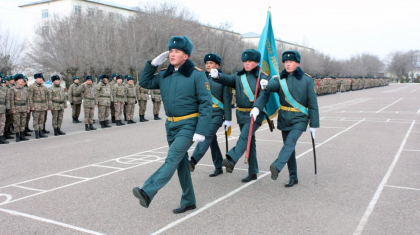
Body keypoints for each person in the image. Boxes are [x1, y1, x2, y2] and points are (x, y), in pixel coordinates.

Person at [133, 35, 212, 214]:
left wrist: (201, 130)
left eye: (177, 51)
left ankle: (147, 191)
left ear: (186, 56)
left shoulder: (196, 75)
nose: (172, 54)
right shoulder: (164, 75)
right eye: (171, 51)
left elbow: (206, 104)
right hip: (171, 125)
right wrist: (152, 65)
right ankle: (189, 200)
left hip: (189, 124)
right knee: (181, 162)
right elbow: (144, 82)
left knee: (172, 157)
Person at [257, 50, 319, 187]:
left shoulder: (307, 80)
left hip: (300, 118)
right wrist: (264, 84)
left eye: (291, 62)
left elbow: (313, 104)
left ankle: (277, 166)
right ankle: (293, 177)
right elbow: (270, 87)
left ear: (297, 63)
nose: (288, 64)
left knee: (289, 143)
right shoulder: (280, 79)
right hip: (284, 118)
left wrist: (314, 124)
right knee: (289, 148)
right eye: (285, 62)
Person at [209, 49, 270, 182]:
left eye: (250, 61)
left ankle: (231, 158)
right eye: (245, 61)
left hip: (255, 113)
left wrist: (257, 107)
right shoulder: (238, 76)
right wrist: (217, 76)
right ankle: (253, 171)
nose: (247, 64)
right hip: (241, 113)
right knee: (249, 141)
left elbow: (265, 95)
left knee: (244, 137)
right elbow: (228, 79)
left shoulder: (262, 77)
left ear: (256, 62)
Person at [188, 53, 232, 177]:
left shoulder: (223, 79)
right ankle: (218, 166)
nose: (208, 65)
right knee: (212, 141)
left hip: (217, 114)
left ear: (217, 65)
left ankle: (193, 161)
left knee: (206, 135)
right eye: (207, 63)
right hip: (204, 114)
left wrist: (228, 119)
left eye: (211, 63)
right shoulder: (201, 77)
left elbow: (227, 100)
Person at [10, 74, 30, 142]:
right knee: (17, 123)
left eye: (22, 79)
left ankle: (22, 135)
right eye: (20, 79)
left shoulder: (25, 89)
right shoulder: (13, 89)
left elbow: (27, 99)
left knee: (23, 122)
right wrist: (13, 109)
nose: (22, 80)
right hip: (16, 108)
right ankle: (17, 136)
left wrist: (28, 108)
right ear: (16, 81)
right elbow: (11, 100)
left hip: (24, 107)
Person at [28, 73, 49, 139]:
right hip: (36, 105)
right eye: (39, 78)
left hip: (42, 106)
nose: (41, 79)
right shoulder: (32, 86)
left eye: (41, 78)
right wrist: (31, 106)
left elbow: (46, 97)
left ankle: (41, 132)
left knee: (41, 120)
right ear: (36, 79)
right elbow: (30, 97)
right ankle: (36, 133)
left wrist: (46, 105)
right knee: (36, 120)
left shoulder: (44, 87)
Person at [0, 74, 10, 144]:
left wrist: (8, 107)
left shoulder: (4, 88)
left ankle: (1, 137)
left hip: (2, 108)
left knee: (2, 123)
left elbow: (7, 98)